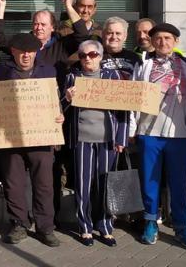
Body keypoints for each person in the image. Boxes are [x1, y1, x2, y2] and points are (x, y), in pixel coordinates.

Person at [0, 33, 65, 247]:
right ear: (13, 52)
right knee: (13, 183)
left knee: (44, 184)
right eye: (21, 51)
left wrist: (59, 115)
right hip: (9, 139)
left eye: (30, 51)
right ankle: (19, 224)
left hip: (41, 138)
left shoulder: (48, 71)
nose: (26, 55)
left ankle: (45, 227)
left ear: (36, 52)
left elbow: (54, 98)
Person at [130, 23, 186, 249]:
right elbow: (133, 96)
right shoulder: (143, 64)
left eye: (168, 38)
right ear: (152, 41)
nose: (163, 42)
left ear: (176, 41)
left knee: (178, 183)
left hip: (179, 134)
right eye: (158, 38)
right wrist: (132, 128)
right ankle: (151, 223)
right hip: (149, 132)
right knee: (150, 182)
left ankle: (181, 226)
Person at [62, 40, 128, 247]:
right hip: (82, 139)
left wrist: (121, 138)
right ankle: (85, 227)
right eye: (83, 55)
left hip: (107, 140)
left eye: (92, 54)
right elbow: (59, 110)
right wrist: (66, 98)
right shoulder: (73, 77)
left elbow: (123, 110)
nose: (87, 59)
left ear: (100, 56)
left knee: (105, 185)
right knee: (83, 185)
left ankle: (106, 226)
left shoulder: (112, 76)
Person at [0, 0, 88, 86]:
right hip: (24, 95)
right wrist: (1, 7)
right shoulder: (21, 44)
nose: (39, 28)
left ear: (52, 27)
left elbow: (82, 34)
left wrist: (68, 6)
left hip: (53, 96)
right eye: (36, 24)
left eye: (43, 24)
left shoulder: (61, 46)